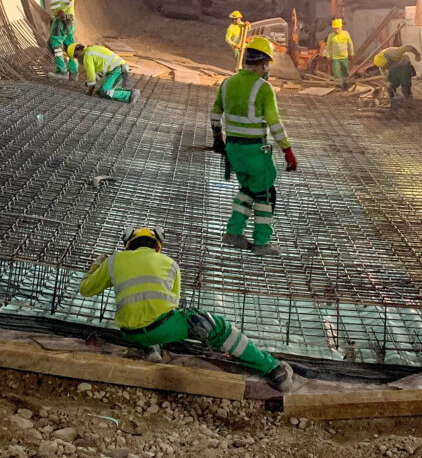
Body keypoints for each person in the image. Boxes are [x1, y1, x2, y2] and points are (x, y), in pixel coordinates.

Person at [79, 224, 294, 390]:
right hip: (162, 329)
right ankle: (273, 369)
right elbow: (172, 302)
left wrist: (96, 265)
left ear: (128, 243)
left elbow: (85, 290)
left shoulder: (114, 261)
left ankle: (150, 347)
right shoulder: (170, 263)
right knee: (211, 325)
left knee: (145, 315)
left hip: (128, 334)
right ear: (157, 245)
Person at [210, 36, 297, 256]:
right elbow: (274, 122)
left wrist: (217, 138)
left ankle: (233, 232)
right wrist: (287, 150)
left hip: (234, 150)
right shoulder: (264, 88)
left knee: (247, 189)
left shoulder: (228, 83)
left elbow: (215, 114)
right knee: (266, 194)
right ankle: (262, 243)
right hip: (255, 153)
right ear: (264, 63)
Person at [68, 43, 140, 104]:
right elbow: (100, 71)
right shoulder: (91, 49)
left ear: (78, 50)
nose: (77, 58)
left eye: (76, 55)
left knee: (104, 91)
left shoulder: (87, 56)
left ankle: (129, 95)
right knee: (102, 91)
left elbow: (91, 74)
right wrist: (90, 82)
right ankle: (132, 92)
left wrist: (90, 91)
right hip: (121, 68)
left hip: (117, 69)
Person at [45, 0, 77, 76]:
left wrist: (61, 11)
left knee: (56, 44)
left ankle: (62, 72)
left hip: (62, 18)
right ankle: (73, 72)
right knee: (70, 45)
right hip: (69, 19)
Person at [326, 18, 355, 89]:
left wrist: (351, 53)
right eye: (335, 29)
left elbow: (350, 44)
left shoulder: (346, 34)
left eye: (338, 28)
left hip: (344, 57)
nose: (336, 30)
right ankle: (338, 86)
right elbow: (328, 46)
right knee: (336, 72)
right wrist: (327, 56)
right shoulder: (331, 35)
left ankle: (346, 85)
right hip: (335, 58)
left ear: (341, 27)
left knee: (345, 71)